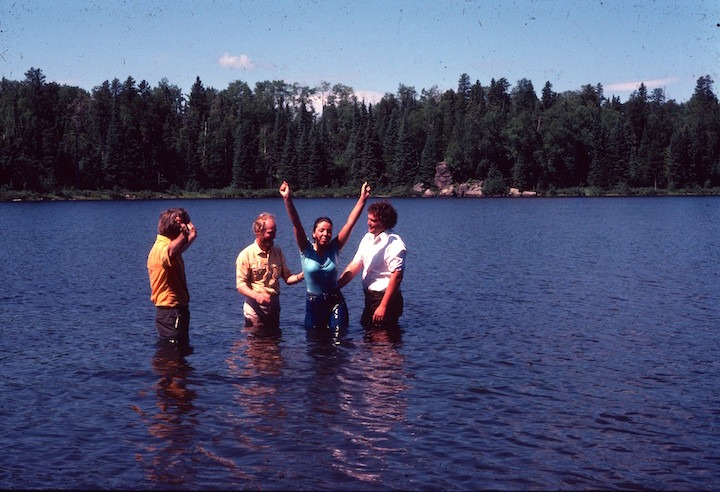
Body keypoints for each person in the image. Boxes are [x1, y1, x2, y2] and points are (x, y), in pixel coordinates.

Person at [280, 180, 371, 332]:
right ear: (314, 233)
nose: (326, 234)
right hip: (314, 303)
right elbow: (296, 224)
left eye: (329, 231)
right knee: (315, 344)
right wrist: (287, 198)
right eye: (321, 230)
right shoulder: (306, 249)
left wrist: (363, 199)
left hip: (335, 301)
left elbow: (350, 223)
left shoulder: (335, 247)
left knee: (338, 340)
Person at [338, 200, 406, 328]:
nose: (368, 223)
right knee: (368, 339)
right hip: (370, 298)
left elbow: (397, 276)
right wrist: (336, 286)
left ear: (384, 222)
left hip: (386, 299)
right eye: (368, 219)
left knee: (382, 343)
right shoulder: (368, 238)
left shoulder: (395, 243)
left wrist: (383, 306)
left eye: (373, 221)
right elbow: (355, 265)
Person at [236, 212, 304, 330]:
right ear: (258, 232)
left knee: (274, 345)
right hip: (255, 309)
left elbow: (287, 278)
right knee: (256, 345)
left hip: (274, 307)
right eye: (270, 233)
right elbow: (240, 285)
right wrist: (257, 296)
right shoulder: (246, 255)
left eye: (275, 232)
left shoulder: (277, 252)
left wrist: (302, 275)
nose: (274, 236)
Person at [147, 207, 198, 355]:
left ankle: (172, 377)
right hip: (171, 312)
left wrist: (190, 235)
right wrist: (184, 234)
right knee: (174, 354)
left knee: (176, 354)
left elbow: (177, 249)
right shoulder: (163, 249)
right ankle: (173, 377)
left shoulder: (163, 246)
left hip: (171, 311)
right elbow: (171, 251)